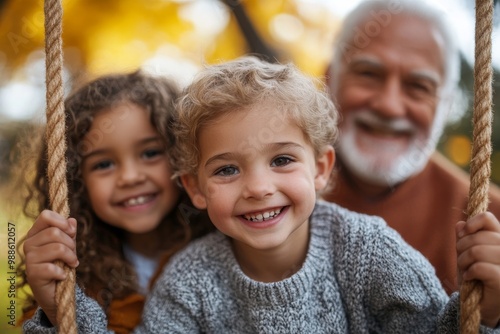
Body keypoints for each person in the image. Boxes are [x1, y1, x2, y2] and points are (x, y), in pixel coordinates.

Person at [24, 56, 500, 333]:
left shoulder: (366, 249)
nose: (257, 187)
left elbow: (435, 329)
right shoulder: (190, 281)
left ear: (321, 167)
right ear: (194, 188)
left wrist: (487, 309)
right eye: (227, 169)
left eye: (281, 160)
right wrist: (58, 307)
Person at [323, 0, 500, 294]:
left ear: (445, 105)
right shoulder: (260, 192)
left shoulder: (490, 225)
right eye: (368, 74)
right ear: (330, 78)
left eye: (418, 86)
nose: (390, 106)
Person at [18, 70, 214, 333]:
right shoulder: (79, 278)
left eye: (151, 152)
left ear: (184, 156)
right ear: (76, 182)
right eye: (104, 164)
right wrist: (56, 312)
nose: (130, 177)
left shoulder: (228, 252)